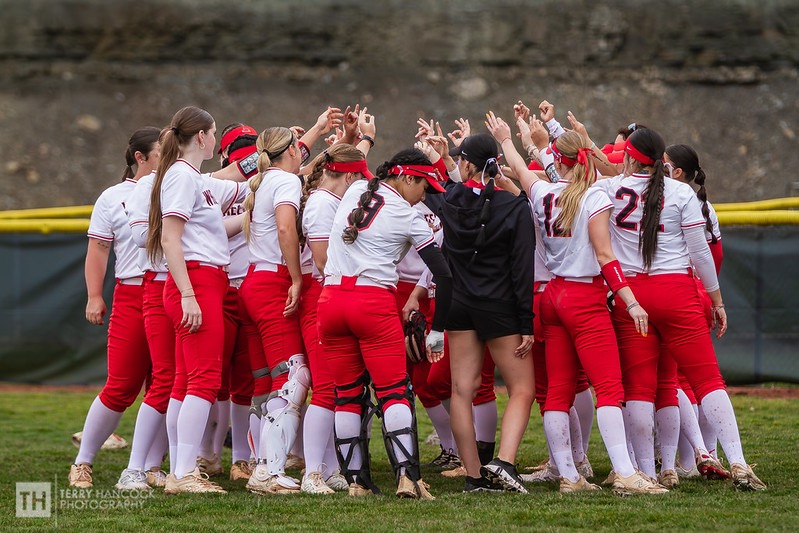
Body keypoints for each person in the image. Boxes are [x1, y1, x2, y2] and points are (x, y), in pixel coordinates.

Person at [488, 111, 667, 495]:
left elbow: (519, 167)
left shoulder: (545, 191)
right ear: (585, 157)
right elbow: (605, 255)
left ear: (559, 161)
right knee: (609, 388)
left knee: (557, 391)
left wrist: (506, 139)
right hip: (584, 297)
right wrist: (631, 300)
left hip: (552, 296)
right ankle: (624, 473)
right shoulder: (594, 194)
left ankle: (569, 476)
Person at [593, 127, 766, 491]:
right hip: (676, 291)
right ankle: (737, 461)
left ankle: (647, 471)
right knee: (708, 380)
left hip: (632, 294)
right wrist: (717, 300)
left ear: (629, 158)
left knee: (640, 389)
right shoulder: (681, 191)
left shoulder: (609, 188)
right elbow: (701, 253)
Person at [317, 148, 452, 500]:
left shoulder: (353, 189)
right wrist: (437, 332)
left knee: (347, 394)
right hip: (371, 302)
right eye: (423, 186)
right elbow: (444, 275)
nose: (425, 195)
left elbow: (356, 163)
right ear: (406, 177)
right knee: (394, 391)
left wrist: (360, 138)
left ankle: (356, 483)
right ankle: (407, 478)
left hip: (330, 301)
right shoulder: (408, 216)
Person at [425, 131, 535, 494]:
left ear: (468, 165)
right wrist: (526, 322)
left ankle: (473, 476)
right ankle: (503, 462)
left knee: (462, 391)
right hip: (498, 305)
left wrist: (438, 159)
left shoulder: (451, 198)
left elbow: (442, 187)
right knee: (523, 388)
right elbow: (522, 270)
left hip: (458, 305)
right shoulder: (513, 206)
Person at [147, 105, 243, 494]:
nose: (215, 139)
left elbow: (244, 177)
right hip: (196, 281)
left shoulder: (191, 176)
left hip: (204, 280)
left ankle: (180, 469)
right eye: (213, 132)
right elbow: (170, 238)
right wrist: (188, 294)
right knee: (202, 380)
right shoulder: (181, 177)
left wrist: (310, 142)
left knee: (186, 382)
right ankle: (184, 472)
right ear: (201, 136)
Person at [69, 127, 162, 490]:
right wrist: (94, 295)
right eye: (160, 150)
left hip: (171, 290)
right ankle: (83, 462)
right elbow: (98, 248)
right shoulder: (113, 196)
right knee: (121, 385)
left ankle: (152, 466)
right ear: (140, 157)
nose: (167, 156)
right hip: (133, 292)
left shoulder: (179, 183)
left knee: (166, 383)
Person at [298, 139, 374, 493]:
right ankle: (312, 471)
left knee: (339, 387)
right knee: (326, 387)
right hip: (321, 294)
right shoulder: (321, 203)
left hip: (330, 293)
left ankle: (328, 468)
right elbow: (322, 261)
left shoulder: (330, 199)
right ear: (347, 176)